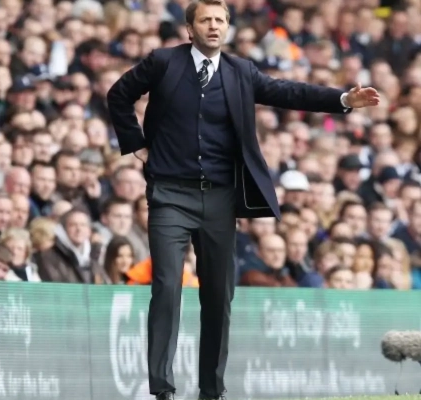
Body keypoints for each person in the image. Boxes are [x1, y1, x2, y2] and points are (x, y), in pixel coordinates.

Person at [106, 0, 380, 399]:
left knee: (219, 296)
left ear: (227, 27)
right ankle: (162, 389)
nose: (213, 26)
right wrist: (137, 146)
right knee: (166, 286)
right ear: (190, 28)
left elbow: (289, 92)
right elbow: (118, 95)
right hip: (169, 195)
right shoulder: (163, 62)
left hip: (220, 198)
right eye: (205, 20)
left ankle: (212, 390)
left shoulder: (241, 71)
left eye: (220, 20)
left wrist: (342, 100)